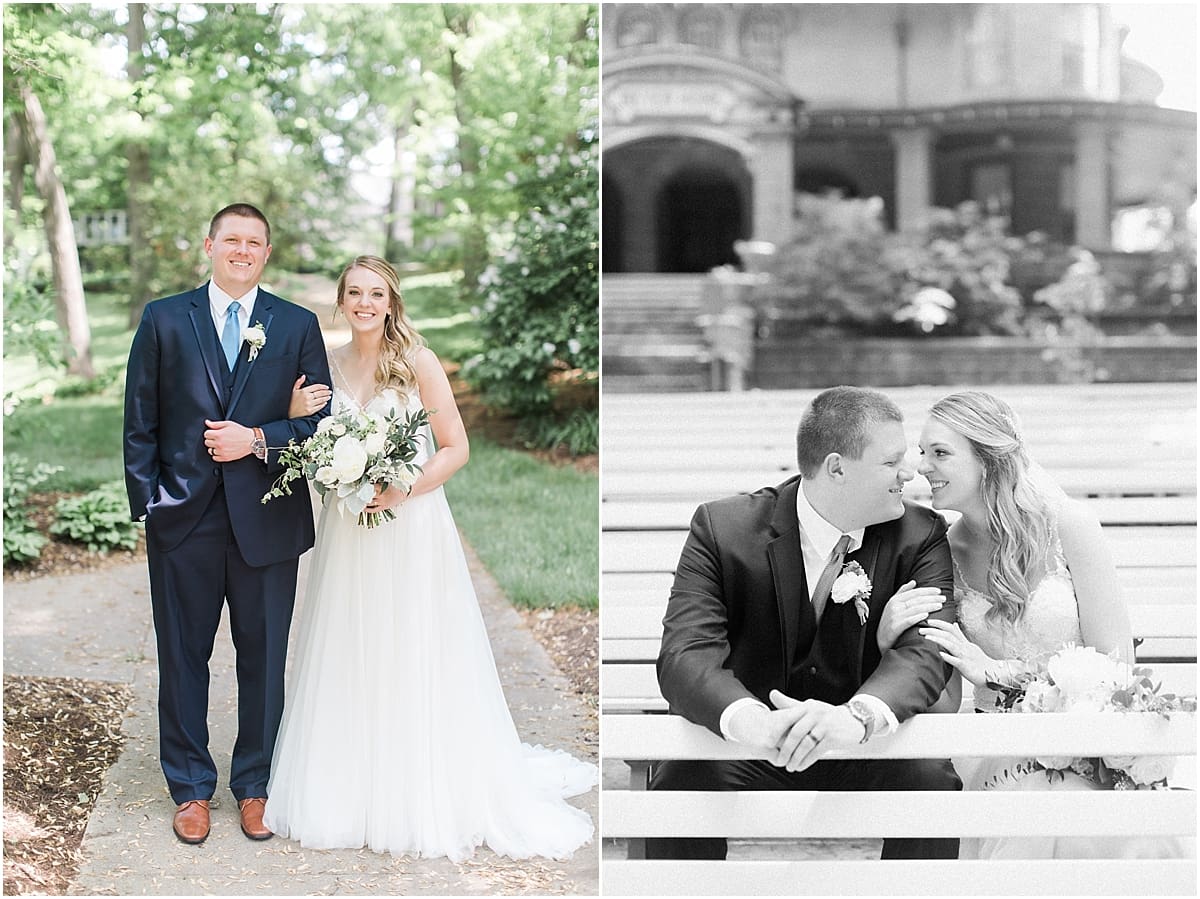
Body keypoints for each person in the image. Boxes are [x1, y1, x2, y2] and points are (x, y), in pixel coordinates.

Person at [262, 255, 597, 861]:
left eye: (376, 294)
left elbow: (455, 448)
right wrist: (304, 430)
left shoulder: (417, 361)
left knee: (412, 641)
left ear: (392, 302)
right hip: (348, 530)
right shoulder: (326, 367)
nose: (365, 304)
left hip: (410, 523)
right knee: (349, 641)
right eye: (354, 293)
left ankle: (416, 783)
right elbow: (307, 444)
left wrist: (401, 488)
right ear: (340, 301)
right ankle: (347, 785)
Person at [651, 385, 962, 861]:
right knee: (679, 781)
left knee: (930, 780)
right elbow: (685, 655)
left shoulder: (920, 535)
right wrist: (754, 723)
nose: (910, 471)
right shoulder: (723, 529)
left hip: (861, 742)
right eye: (891, 461)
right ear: (837, 468)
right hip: (753, 742)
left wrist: (855, 718)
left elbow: (925, 653)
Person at [123, 203, 332, 845]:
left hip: (267, 518)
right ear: (209, 246)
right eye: (231, 239)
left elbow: (320, 424)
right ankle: (190, 786)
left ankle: (256, 784)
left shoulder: (295, 324)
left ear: (267, 253)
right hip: (182, 519)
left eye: (254, 242)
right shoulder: (164, 319)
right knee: (183, 657)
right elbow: (140, 420)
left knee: (264, 658)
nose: (242, 250)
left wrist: (258, 438)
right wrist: (149, 504)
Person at [906, 389, 1182, 859]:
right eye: (922, 453)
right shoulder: (943, 553)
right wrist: (890, 635)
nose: (922, 468)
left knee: (1077, 812)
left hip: (1089, 735)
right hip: (999, 749)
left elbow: (1117, 668)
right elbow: (944, 697)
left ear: (988, 459)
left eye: (940, 453)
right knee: (1040, 805)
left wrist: (1001, 672)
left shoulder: (1070, 526)